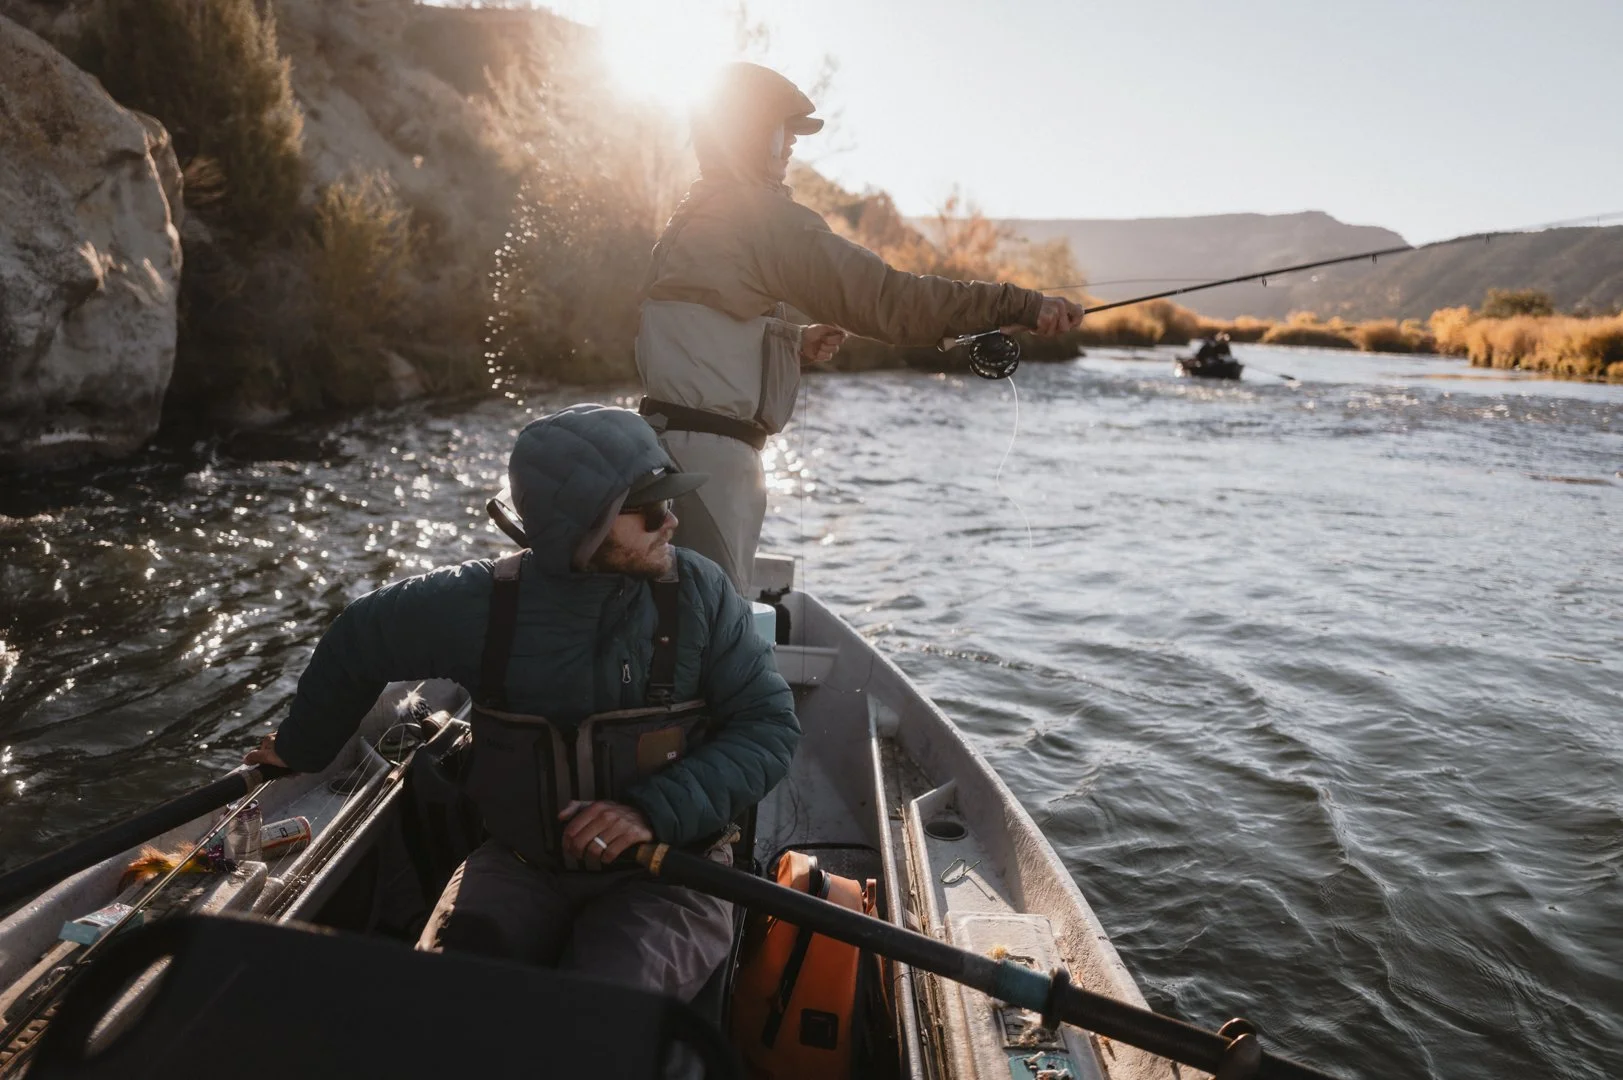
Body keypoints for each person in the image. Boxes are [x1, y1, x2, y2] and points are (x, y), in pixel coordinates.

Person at [244, 403, 799, 1002]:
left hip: (672, 873)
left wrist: (649, 812)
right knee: (454, 1000)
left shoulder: (701, 592)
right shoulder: (479, 603)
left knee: (603, 1005)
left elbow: (767, 727)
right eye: (653, 509)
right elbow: (358, 638)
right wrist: (302, 748)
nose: (672, 523)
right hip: (518, 864)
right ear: (587, 523)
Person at [635, 61, 1086, 595]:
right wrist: (1021, 304)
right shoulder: (761, 219)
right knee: (706, 633)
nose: (790, 149)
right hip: (710, 467)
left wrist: (790, 344)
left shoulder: (695, 212)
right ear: (748, 133)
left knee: (685, 623)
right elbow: (892, 302)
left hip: (667, 449)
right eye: (782, 133)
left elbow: (693, 330)